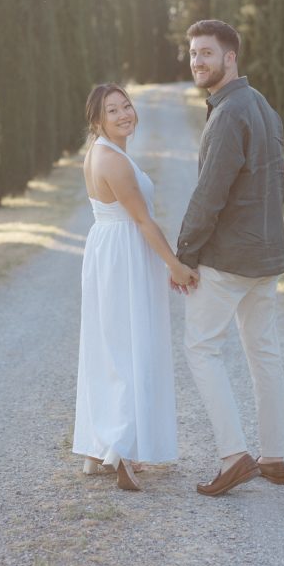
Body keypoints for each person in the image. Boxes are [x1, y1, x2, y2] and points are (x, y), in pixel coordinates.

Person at [175, 20, 284, 497]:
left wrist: (184, 255)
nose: (197, 61)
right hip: (266, 256)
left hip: (229, 260)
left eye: (206, 52)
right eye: (193, 53)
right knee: (264, 353)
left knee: (201, 348)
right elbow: (279, 186)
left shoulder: (228, 114)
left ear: (230, 57)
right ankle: (274, 457)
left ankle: (234, 456)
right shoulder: (263, 106)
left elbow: (209, 195)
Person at [73, 83, 198, 492]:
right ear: (98, 121)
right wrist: (175, 265)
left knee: (110, 347)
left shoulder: (101, 152)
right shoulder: (113, 160)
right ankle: (123, 449)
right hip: (124, 254)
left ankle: (99, 448)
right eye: (112, 110)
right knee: (131, 346)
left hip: (110, 250)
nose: (124, 114)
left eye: (126, 105)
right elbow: (143, 221)